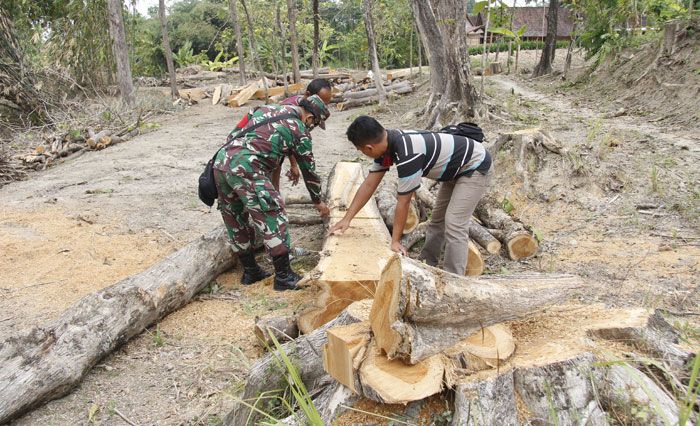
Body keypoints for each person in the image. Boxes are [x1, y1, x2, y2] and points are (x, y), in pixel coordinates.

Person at [328, 116, 493, 275]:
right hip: (454, 169)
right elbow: (369, 184)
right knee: (438, 220)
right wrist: (347, 218)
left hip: (474, 166)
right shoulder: (387, 145)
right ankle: (428, 264)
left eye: (360, 150)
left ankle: (454, 279)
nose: (363, 153)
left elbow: (404, 202)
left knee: (455, 222)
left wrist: (395, 242)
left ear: (369, 147)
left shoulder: (407, 153)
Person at [214, 95, 331, 290]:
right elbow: (309, 171)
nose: (312, 127)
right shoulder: (299, 130)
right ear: (310, 118)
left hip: (221, 163)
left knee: (235, 219)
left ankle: (251, 271)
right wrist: (317, 200)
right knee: (273, 215)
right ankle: (284, 276)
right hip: (247, 168)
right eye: (315, 124)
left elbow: (234, 134)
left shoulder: (265, 109)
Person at [234, 78, 333, 190]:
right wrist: (294, 165)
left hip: (258, 148)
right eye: (321, 102)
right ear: (308, 95)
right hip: (254, 147)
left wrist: (294, 164)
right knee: (269, 167)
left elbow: (295, 141)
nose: (323, 106)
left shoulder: (310, 111)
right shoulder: (290, 108)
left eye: (326, 103)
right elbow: (287, 142)